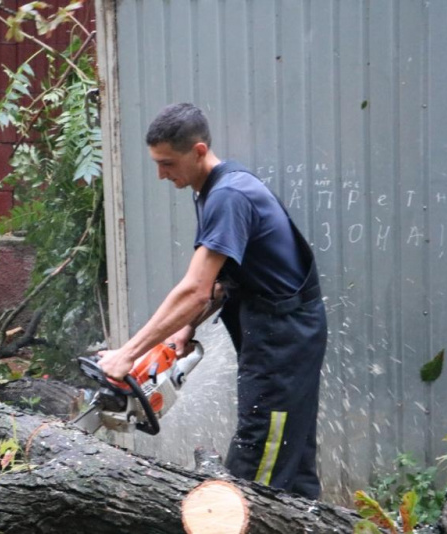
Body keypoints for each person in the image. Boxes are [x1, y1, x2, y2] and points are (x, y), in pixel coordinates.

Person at [98, 103, 327, 499]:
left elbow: (195, 289)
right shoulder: (214, 189)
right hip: (279, 328)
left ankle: (252, 516)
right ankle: (310, 520)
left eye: (168, 163)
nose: (161, 174)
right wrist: (184, 330)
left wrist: (129, 354)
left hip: (283, 337)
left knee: (262, 453)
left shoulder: (228, 196)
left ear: (199, 151)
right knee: (291, 450)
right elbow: (223, 282)